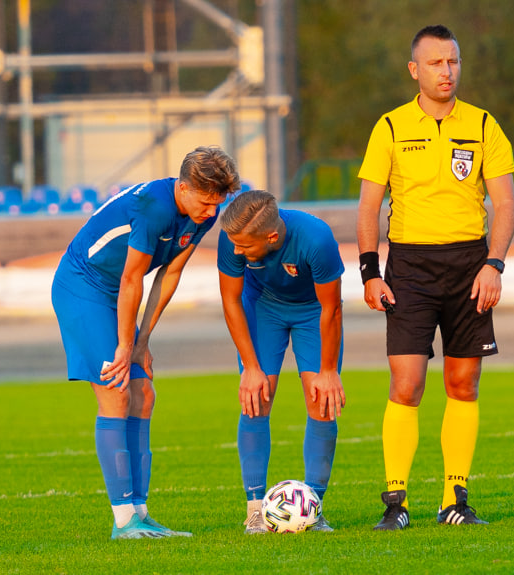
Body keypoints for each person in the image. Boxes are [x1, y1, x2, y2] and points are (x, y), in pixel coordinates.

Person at [356, 24, 514, 530]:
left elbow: (507, 204)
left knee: (463, 382)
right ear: (414, 70)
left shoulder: (485, 124)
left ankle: (455, 500)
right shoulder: (389, 126)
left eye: (453, 62)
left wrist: (493, 264)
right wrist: (370, 272)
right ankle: (396, 504)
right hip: (409, 268)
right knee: (406, 384)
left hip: (470, 265)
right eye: (435, 63)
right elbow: (367, 207)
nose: (446, 72)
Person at [51, 146, 241, 539]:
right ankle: (124, 520)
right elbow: (131, 279)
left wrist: (143, 340)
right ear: (184, 187)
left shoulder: (201, 214)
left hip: (116, 291)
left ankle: (140, 512)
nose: (212, 211)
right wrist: (125, 344)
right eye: (206, 202)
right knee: (116, 391)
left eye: (218, 203)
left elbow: (169, 275)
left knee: (144, 394)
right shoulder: (154, 208)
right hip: (83, 286)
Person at [217, 190, 346, 534]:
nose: (236, 251)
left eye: (244, 247)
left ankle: (313, 510)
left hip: (314, 313)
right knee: (255, 400)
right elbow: (230, 300)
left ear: (271, 237)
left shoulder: (316, 239)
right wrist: (250, 367)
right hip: (262, 307)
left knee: (322, 401)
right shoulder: (232, 237)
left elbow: (331, 309)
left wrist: (329, 371)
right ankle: (256, 511)